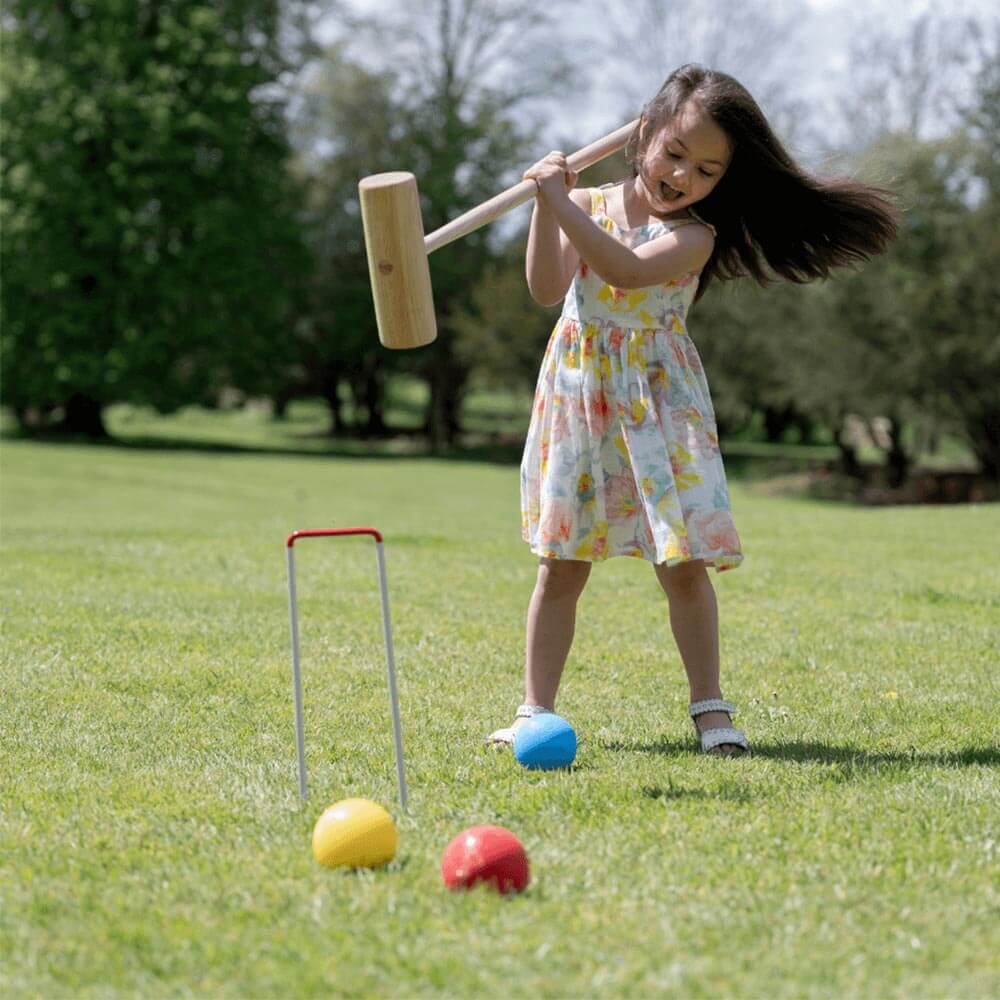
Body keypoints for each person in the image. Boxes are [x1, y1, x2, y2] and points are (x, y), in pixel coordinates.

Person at [488, 64, 897, 756]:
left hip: (656, 406)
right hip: (581, 395)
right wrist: (543, 204)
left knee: (681, 564)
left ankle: (710, 709)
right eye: (675, 153)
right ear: (645, 133)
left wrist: (559, 202)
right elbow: (544, 287)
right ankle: (535, 710)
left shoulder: (697, 236)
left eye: (706, 170)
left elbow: (624, 270)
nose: (684, 176)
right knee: (560, 563)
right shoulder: (581, 204)